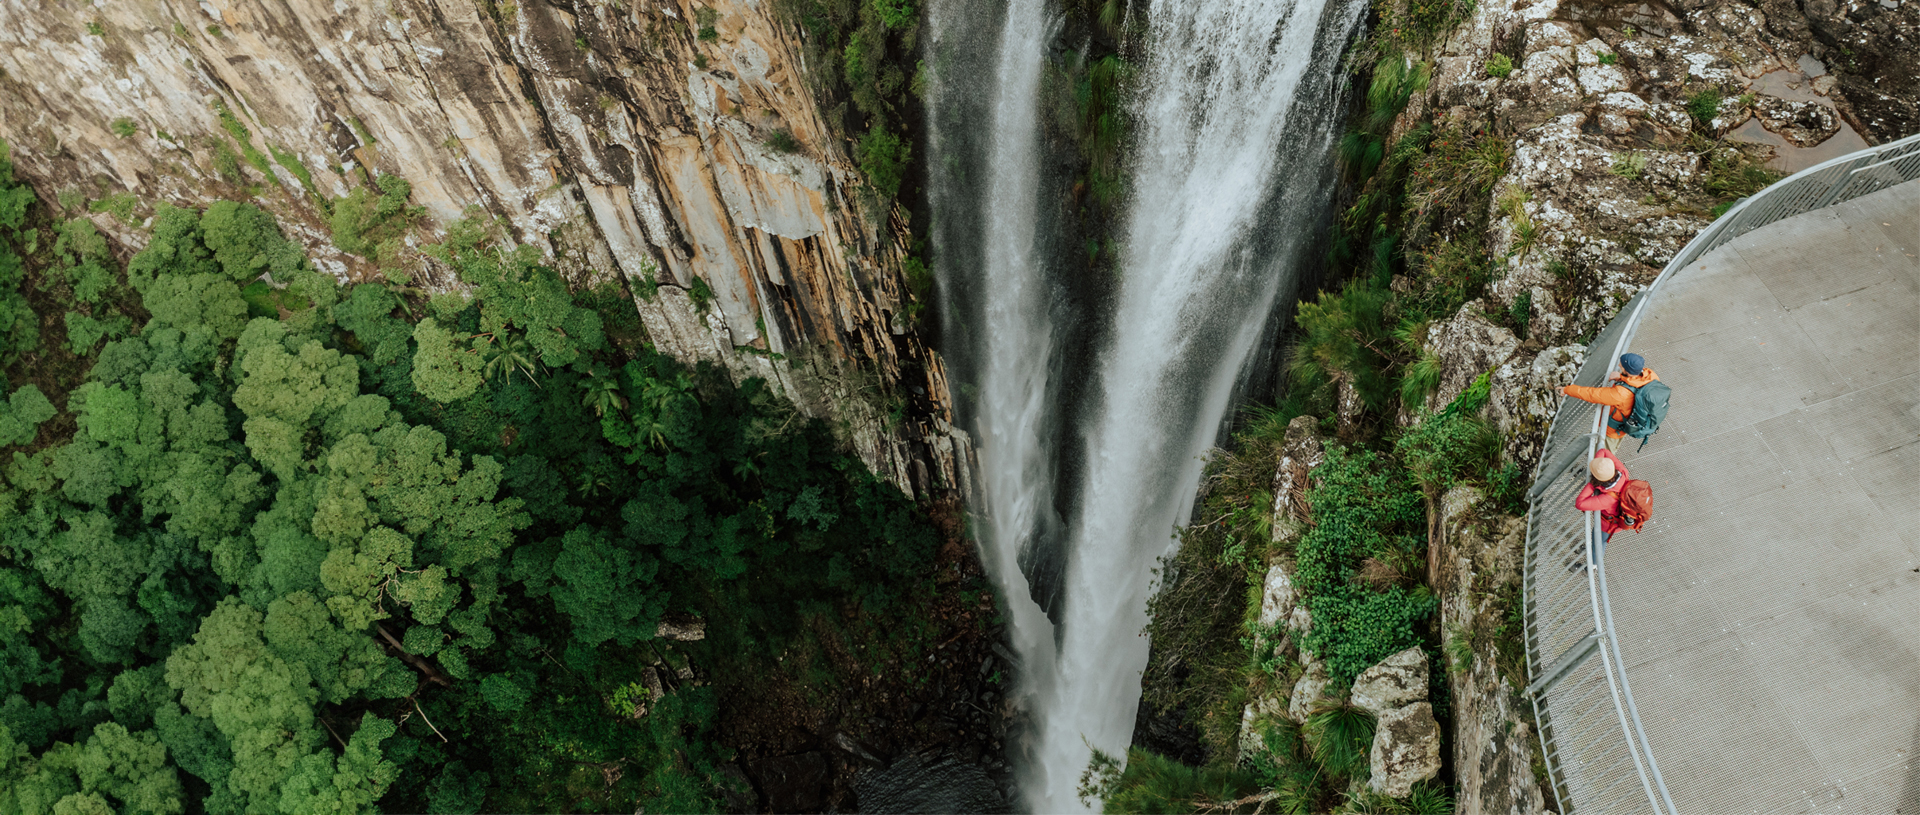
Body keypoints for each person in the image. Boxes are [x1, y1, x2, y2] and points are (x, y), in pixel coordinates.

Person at [1561, 353, 1659, 454]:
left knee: (1604, 456)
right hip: (1629, 421)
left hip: (1613, 431)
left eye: (1621, 365)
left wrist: (1567, 389)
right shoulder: (1650, 375)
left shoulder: (1621, 393)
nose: (1619, 366)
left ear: (1627, 370)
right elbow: (1634, 383)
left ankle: (1601, 468)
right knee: (1614, 446)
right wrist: (1622, 377)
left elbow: (1592, 394)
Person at [1567, 450, 1629, 573]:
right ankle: (1589, 550)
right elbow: (1603, 451)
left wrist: (1592, 484)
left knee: (1598, 545)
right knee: (1597, 541)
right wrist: (1599, 466)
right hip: (1612, 521)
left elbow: (1580, 503)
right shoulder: (1622, 472)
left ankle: (1591, 568)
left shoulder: (1608, 498)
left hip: (1608, 526)